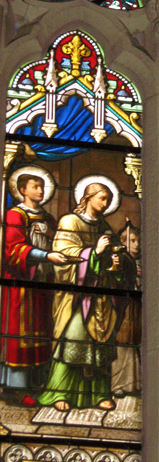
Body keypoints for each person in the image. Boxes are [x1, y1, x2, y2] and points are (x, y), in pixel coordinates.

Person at [38, 180, 132, 411]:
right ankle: (59, 393)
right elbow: (63, 255)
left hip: (101, 298)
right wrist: (94, 252)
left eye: (109, 200)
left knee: (101, 344)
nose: (106, 203)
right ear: (88, 197)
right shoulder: (69, 221)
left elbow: (113, 261)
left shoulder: (105, 227)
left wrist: (117, 264)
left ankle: (99, 394)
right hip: (77, 297)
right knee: (73, 338)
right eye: (102, 198)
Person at [0, 169, 66, 405]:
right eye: (34, 186)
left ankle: (37, 383)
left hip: (42, 282)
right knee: (20, 332)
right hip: (20, 281)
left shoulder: (48, 219)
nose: (40, 190)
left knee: (42, 330)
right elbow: (12, 248)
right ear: (22, 189)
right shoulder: (15, 215)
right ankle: (16, 388)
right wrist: (46, 256)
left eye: (42, 186)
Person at [111, 223, 142, 396]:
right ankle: (118, 384)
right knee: (122, 343)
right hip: (123, 308)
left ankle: (133, 383)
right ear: (123, 242)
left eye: (138, 241)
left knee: (133, 343)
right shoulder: (122, 260)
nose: (137, 245)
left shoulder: (137, 263)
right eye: (132, 240)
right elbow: (116, 280)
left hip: (135, 307)